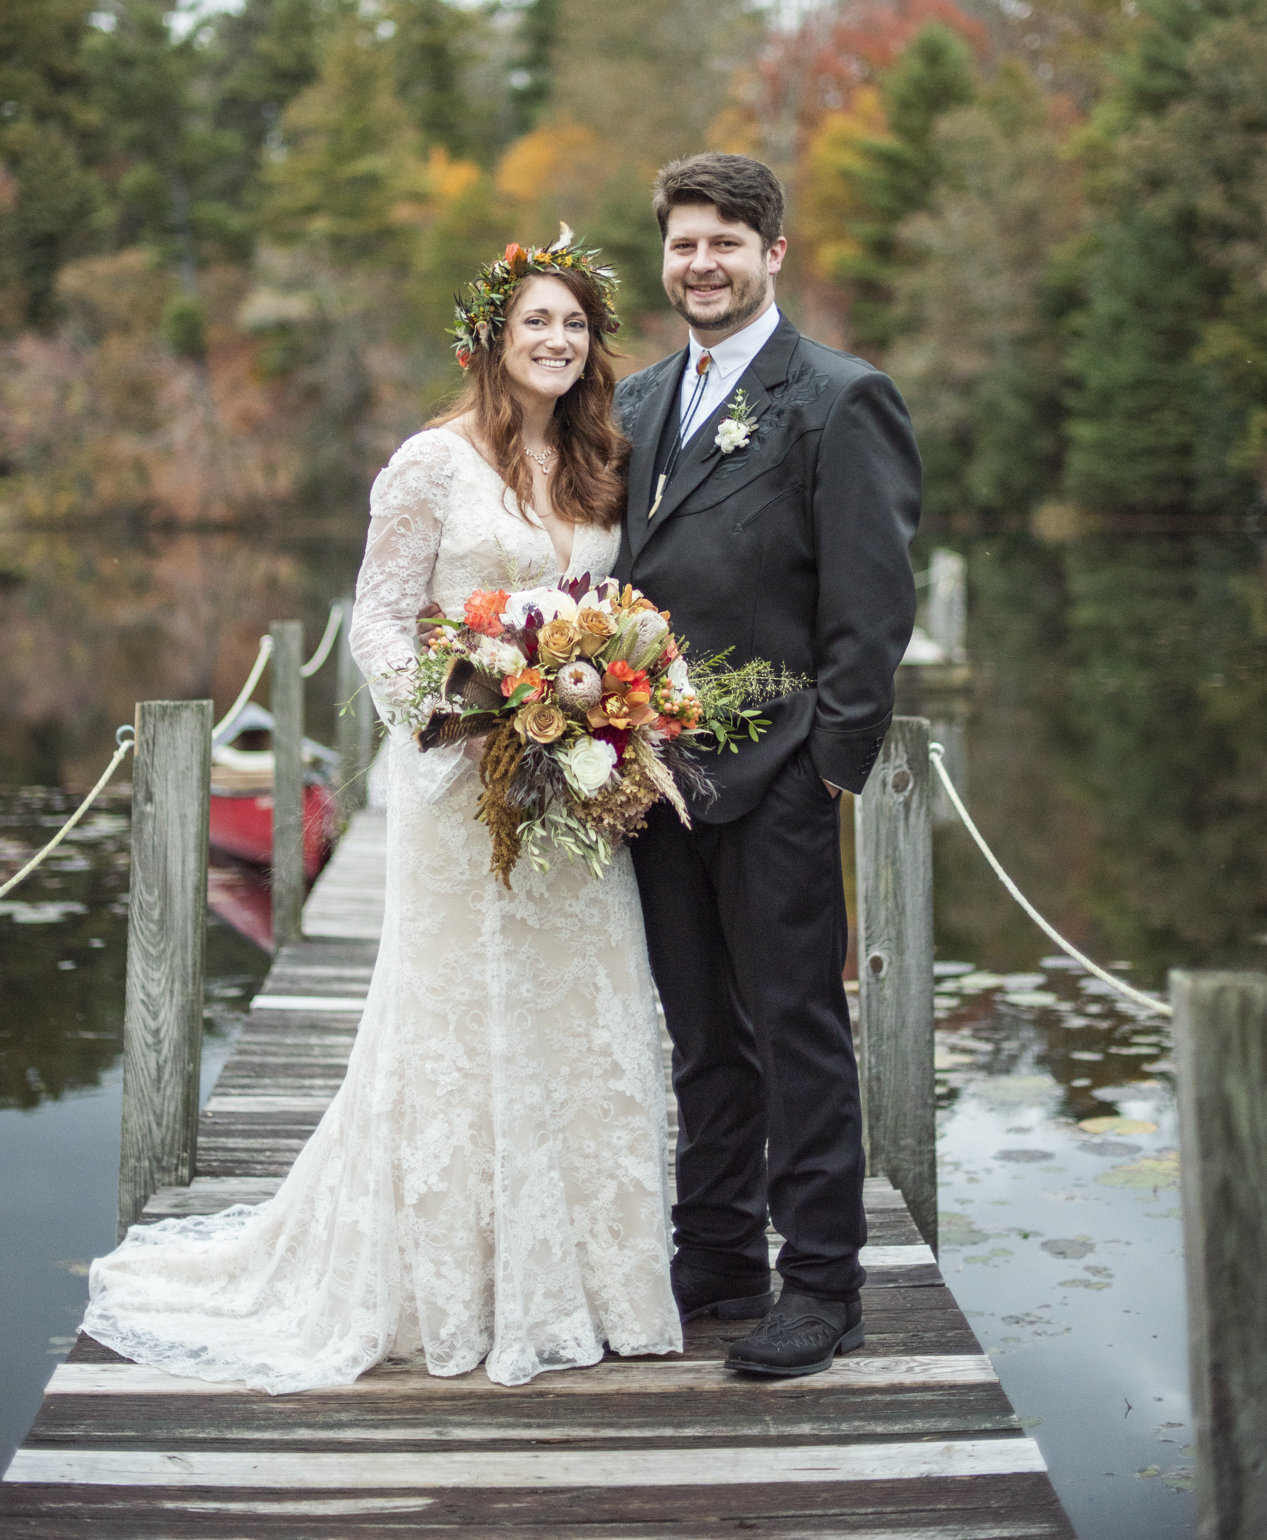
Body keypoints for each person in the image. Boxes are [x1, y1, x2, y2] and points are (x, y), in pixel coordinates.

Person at [82, 241, 681, 1392]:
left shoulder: (599, 464)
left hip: (576, 786)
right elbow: (379, 621)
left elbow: (604, 610)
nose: (555, 341)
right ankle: (452, 1283)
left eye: (573, 325)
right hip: (461, 787)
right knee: (461, 1018)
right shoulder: (430, 462)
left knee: (583, 1011)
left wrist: (611, 699)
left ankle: (591, 1281)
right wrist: (442, 722)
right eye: (534, 323)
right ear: (493, 341)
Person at [614, 152, 921, 1378]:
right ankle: (721, 1255)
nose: (702, 263)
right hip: (647, 776)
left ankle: (824, 1286)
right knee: (700, 1034)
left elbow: (872, 603)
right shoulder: (634, 402)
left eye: (725, 244)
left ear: (771, 254)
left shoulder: (840, 399)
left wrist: (829, 767)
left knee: (796, 1029)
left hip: (781, 771)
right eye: (685, 243)